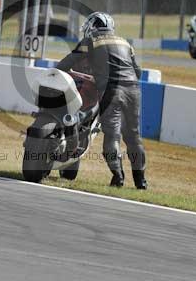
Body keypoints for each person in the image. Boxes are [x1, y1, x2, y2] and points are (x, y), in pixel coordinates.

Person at [56, 12, 147, 189]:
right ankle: (141, 181)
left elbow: (65, 64)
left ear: (93, 27)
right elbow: (138, 72)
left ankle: (118, 176)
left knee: (112, 136)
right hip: (133, 90)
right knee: (133, 137)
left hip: (110, 91)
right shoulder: (125, 42)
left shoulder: (90, 41)